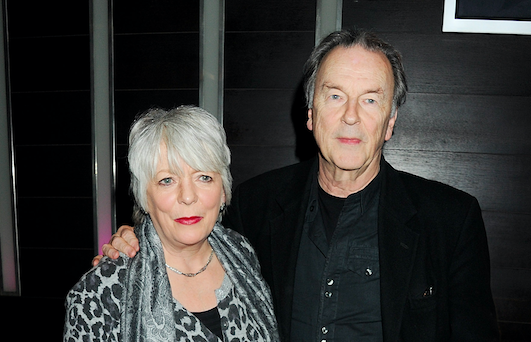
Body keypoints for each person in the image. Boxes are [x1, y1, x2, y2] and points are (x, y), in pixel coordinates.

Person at [94, 29, 500, 341]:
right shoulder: (254, 205)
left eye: (372, 100)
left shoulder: (450, 219)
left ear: (391, 122)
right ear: (310, 114)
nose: (352, 116)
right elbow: (187, 236)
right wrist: (136, 238)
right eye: (336, 96)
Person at [65, 106, 279, 341]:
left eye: (204, 177)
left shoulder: (242, 252)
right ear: (144, 197)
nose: (187, 196)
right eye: (167, 180)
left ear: (223, 192)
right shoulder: (98, 292)